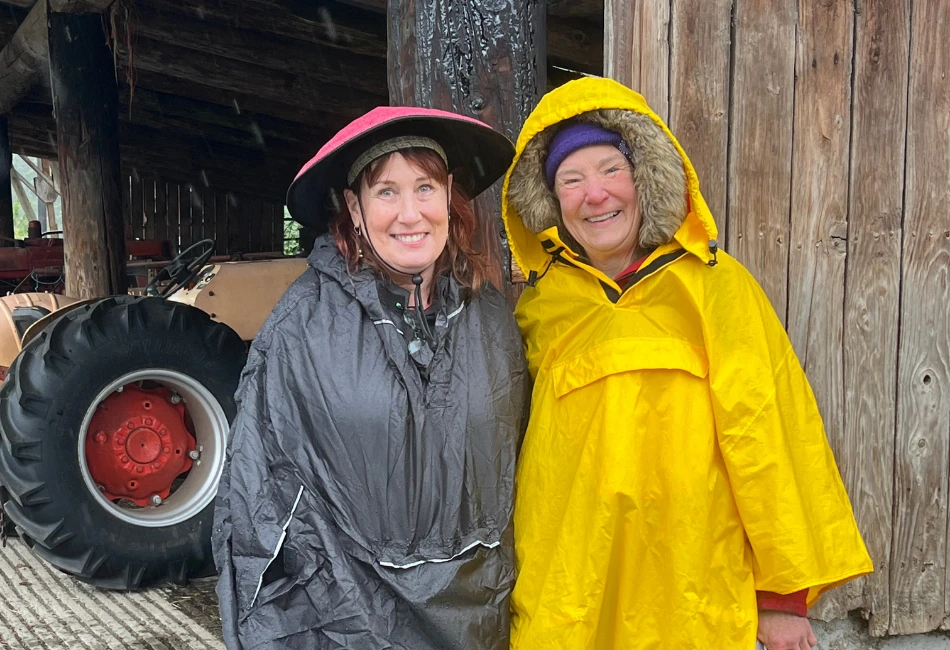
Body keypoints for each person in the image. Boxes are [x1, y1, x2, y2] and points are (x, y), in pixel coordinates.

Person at [500, 76, 873, 649]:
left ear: (646, 177)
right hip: (569, 591)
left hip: (689, 588)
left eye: (609, 170)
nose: (593, 194)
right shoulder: (540, 306)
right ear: (550, 202)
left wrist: (780, 600)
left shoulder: (715, 288)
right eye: (570, 180)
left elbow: (769, 435)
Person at [212, 106, 529, 650]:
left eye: (425, 187)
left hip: (481, 620)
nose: (410, 213)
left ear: (450, 196)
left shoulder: (493, 320)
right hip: (351, 621)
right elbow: (257, 499)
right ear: (355, 209)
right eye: (387, 192)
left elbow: (519, 468)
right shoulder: (302, 327)